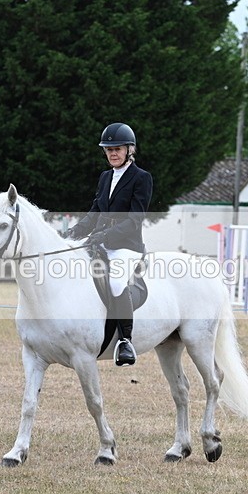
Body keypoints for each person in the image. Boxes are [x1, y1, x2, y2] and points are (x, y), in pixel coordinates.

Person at [66, 122, 153, 366]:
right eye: (108, 149)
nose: (113, 153)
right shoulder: (105, 177)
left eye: (117, 149)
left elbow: (135, 220)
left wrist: (105, 236)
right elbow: (96, 211)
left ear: (129, 150)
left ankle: (125, 341)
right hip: (102, 243)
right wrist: (75, 231)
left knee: (116, 281)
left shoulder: (141, 178)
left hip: (127, 247)